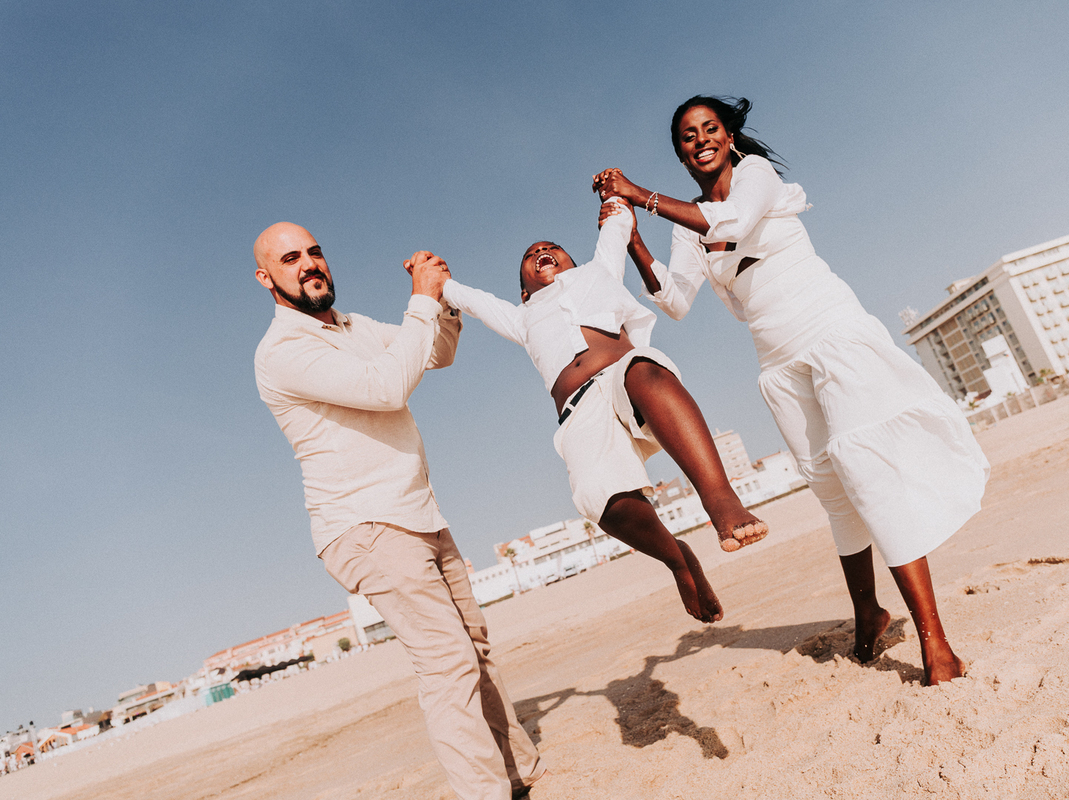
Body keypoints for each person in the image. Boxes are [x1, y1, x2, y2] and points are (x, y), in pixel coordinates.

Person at [593, 96, 990, 685]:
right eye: (687, 136)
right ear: (681, 152)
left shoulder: (758, 175)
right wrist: (631, 235)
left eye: (710, 129)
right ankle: (869, 613)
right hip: (776, 361)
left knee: (870, 477)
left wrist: (639, 193)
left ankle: (936, 642)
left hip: (831, 332)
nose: (700, 139)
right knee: (832, 490)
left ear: (729, 138)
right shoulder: (689, 221)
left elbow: (729, 224)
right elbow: (674, 300)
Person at [252, 222, 543, 800]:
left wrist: (443, 300)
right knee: (447, 662)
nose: (310, 264)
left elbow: (436, 352)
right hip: (364, 524)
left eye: (315, 252)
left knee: (474, 648)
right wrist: (419, 301)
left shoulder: (355, 326)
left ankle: (517, 773)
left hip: (419, 512)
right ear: (267, 279)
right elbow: (387, 388)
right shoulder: (281, 351)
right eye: (291, 259)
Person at [426, 200, 768, 624]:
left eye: (551, 247)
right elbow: (470, 299)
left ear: (572, 259)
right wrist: (434, 276)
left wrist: (614, 200)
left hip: (626, 378)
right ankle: (679, 560)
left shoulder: (598, 271)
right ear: (523, 290)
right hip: (578, 410)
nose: (541, 253)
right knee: (605, 503)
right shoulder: (522, 317)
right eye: (530, 256)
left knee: (646, 367)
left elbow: (616, 225)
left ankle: (721, 500)